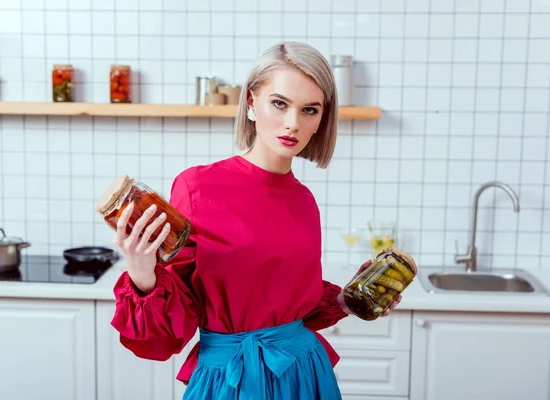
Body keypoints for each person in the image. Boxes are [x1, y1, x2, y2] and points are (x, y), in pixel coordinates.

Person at [109, 41, 402, 400]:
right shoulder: (196, 187)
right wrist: (142, 274)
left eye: (309, 110)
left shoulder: (305, 202)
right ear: (251, 104)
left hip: (305, 375)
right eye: (279, 104)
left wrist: (345, 301)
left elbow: (290, 302)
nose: (293, 123)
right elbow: (172, 324)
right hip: (229, 380)